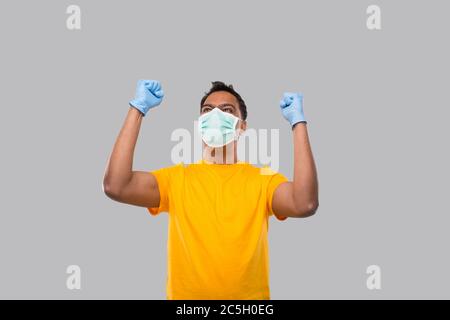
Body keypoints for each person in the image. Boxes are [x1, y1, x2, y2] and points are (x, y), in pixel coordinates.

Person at [103, 80, 319, 299]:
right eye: (208, 110)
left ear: (242, 126)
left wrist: (298, 123)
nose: (216, 116)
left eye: (227, 110)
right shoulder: (177, 178)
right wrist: (137, 109)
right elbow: (117, 185)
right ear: (199, 124)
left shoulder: (263, 180)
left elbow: (304, 203)